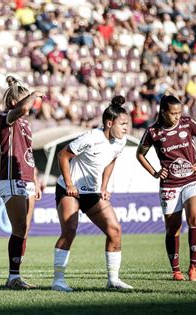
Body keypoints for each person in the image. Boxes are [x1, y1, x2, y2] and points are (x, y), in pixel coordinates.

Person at [52, 95, 133, 292]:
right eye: (122, 124)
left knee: (115, 230)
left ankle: (113, 280)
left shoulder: (119, 142)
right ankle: (58, 281)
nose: (126, 128)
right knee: (70, 229)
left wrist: (104, 187)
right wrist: (70, 185)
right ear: (109, 122)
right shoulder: (90, 138)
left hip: (92, 192)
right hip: (69, 189)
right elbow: (62, 155)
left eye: (127, 124)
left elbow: (111, 160)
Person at [136, 95, 196, 282]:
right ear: (163, 112)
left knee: (195, 218)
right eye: (173, 113)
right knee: (173, 229)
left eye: (179, 112)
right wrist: (155, 172)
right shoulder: (153, 132)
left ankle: (193, 267)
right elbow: (140, 154)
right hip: (170, 184)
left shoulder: (188, 123)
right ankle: (176, 270)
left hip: (192, 179)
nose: (178, 116)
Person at [0, 76, 44, 289]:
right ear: (16, 102)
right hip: (11, 177)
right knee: (19, 227)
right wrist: (33, 95)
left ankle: (16, 276)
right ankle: (12, 277)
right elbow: (23, 109)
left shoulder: (24, 123)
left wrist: (35, 177)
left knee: (24, 229)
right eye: (27, 99)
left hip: (26, 178)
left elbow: (27, 151)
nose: (32, 103)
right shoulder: (7, 117)